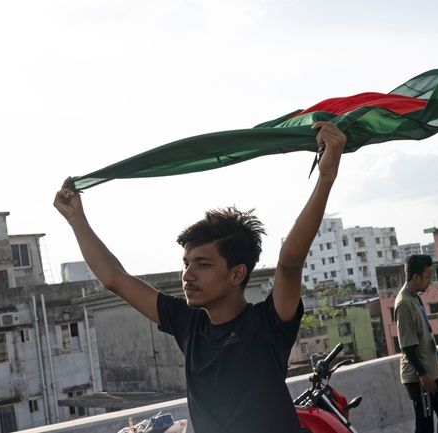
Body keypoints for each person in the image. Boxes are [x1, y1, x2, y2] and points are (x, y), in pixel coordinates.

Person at [54, 121, 347, 433]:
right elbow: (115, 278)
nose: (188, 275)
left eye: (203, 264)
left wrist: (326, 177)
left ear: (237, 273)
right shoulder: (189, 324)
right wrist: (76, 219)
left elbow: (289, 262)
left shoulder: (268, 324)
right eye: (186, 263)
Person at [394, 254, 438, 433]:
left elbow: (424, 337)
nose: (430, 281)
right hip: (418, 376)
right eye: (427, 276)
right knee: (425, 425)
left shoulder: (415, 297)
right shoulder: (404, 303)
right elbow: (406, 346)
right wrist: (422, 375)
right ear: (416, 277)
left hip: (429, 370)